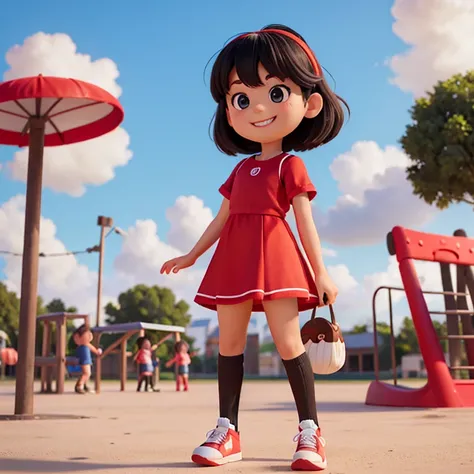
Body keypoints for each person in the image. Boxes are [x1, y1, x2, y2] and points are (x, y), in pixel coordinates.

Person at [160, 24, 347, 471]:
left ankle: (310, 430)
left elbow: (305, 223)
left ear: (311, 102)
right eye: (241, 98)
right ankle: (228, 428)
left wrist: (321, 272)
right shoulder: (241, 170)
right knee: (229, 343)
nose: (257, 107)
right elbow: (221, 220)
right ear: (228, 109)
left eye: (277, 93)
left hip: (277, 257)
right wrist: (191, 255)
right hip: (234, 260)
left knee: (287, 342)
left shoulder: (289, 163)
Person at [72, 324, 102, 394]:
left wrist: (97, 351)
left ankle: (83, 385)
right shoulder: (83, 345)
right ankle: (80, 386)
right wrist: (97, 351)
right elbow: (91, 347)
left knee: (86, 373)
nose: (90, 335)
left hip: (85, 360)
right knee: (87, 373)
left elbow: (91, 347)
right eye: (88, 333)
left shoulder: (85, 345)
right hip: (85, 360)